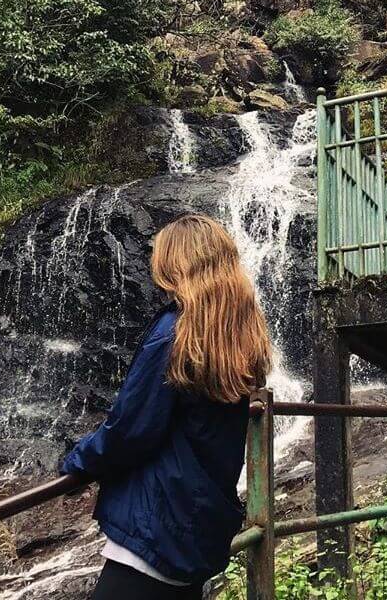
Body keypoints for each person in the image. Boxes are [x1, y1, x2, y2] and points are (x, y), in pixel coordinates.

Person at [61, 214, 272, 599]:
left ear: (175, 264)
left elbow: (129, 429)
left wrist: (77, 461)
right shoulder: (239, 337)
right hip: (197, 529)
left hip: (154, 534)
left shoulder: (173, 336)